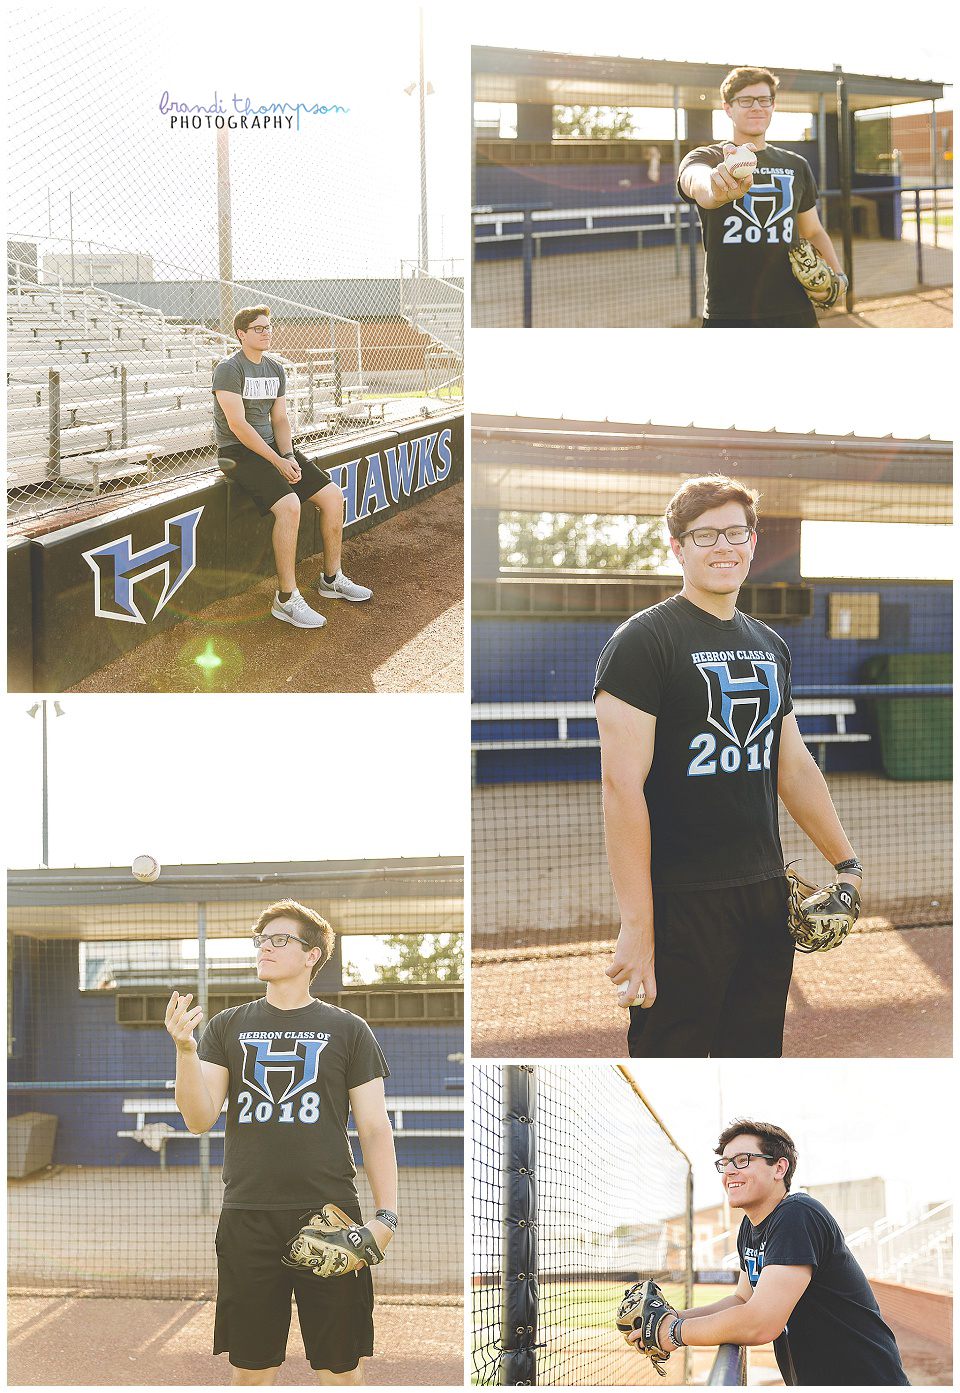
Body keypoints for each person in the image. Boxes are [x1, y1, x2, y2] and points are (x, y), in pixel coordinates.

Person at [594, 474, 862, 1057]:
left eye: (735, 532)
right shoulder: (643, 641)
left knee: (757, 1055)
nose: (723, 546)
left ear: (753, 542)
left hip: (766, 897)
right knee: (671, 1057)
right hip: (681, 902)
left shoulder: (769, 644)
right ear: (677, 547)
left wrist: (846, 864)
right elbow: (621, 789)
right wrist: (638, 925)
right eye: (705, 535)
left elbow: (790, 762)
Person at [165, 899, 398, 1385]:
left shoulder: (348, 1029)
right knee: (251, 1370)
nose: (264, 948)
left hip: (328, 1215)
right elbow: (197, 1118)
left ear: (312, 955)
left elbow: (375, 1128)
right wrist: (186, 1050)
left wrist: (386, 1218)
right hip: (246, 1215)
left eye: (279, 940)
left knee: (339, 1370)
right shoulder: (228, 1025)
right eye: (260, 940)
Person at [626, 1119, 910, 1386]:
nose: (729, 1171)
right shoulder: (750, 1227)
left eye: (742, 1160)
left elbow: (760, 1323)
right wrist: (674, 1317)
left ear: (779, 1168)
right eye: (724, 1163)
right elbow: (742, 1299)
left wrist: (673, 1333)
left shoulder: (797, 1214)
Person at [213, 306, 372, 629]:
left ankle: (331, 578)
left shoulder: (275, 368)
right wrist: (275, 461)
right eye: (258, 328)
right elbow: (238, 425)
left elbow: (280, 419)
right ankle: (286, 598)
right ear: (241, 334)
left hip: (274, 450)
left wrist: (287, 455)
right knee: (289, 506)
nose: (266, 332)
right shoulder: (229, 369)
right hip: (238, 452)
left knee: (332, 496)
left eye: (269, 327)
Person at [678, 66, 844, 327]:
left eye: (764, 99)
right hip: (729, 314)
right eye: (745, 100)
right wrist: (713, 190)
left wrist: (838, 278)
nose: (756, 107)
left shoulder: (796, 164)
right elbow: (695, 180)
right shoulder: (709, 158)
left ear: (772, 105)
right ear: (727, 108)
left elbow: (812, 231)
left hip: (795, 309)